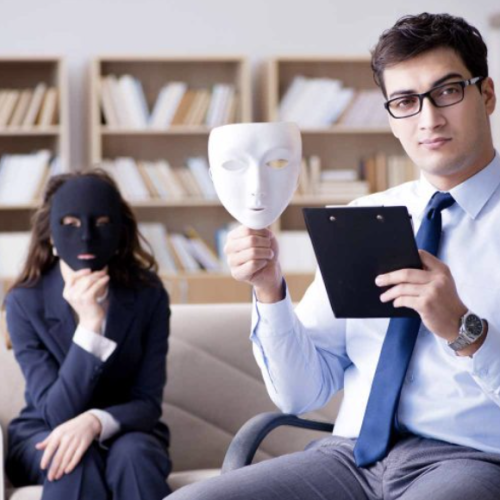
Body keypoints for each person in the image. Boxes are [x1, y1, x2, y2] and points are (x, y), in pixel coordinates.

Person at [167, 12, 500, 500]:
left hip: (468, 460)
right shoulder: (365, 218)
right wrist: (269, 290)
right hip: (348, 459)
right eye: (406, 101)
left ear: (486, 95)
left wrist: (464, 329)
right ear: (391, 118)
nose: (429, 118)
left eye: (447, 91)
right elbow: (302, 392)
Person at [4, 170, 172, 499]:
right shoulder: (24, 302)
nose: (85, 238)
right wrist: (89, 326)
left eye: (102, 223)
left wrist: (96, 421)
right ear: (50, 235)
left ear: (120, 232)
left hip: (126, 432)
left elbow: (147, 403)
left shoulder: (148, 295)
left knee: (135, 456)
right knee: (73, 458)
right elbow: (56, 414)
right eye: (69, 224)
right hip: (43, 432)